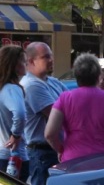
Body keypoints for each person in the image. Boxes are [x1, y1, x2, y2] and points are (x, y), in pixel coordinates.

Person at [44, 53, 104, 163]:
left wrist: (61, 150)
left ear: (76, 75)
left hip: (74, 161)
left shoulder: (64, 99)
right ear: (97, 76)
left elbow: (49, 134)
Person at [20, 42, 68, 185]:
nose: (51, 59)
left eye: (51, 56)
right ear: (31, 61)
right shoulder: (31, 85)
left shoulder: (52, 81)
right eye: (46, 57)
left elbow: (74, 105)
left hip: (55, 150)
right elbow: (57, 115)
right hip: (43, 153)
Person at [0, 45, 29, 182]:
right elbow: (20, 113)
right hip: (13, 156)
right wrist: (16, 134)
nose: (27, 64)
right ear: (15, 65)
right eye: (24, 61)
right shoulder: (12, 88)